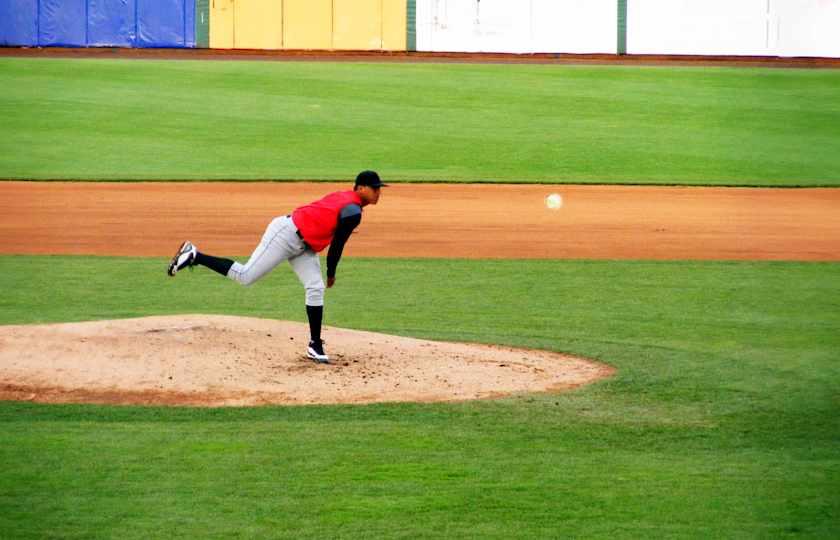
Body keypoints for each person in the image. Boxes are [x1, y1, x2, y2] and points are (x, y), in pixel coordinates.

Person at [167, 170, 387, 364]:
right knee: (245, 276)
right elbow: (337, 245)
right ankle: (195, 255)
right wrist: (331, 273)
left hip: (305, 246)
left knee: (315, 287)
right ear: (360, 188)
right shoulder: (353, 211)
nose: (378, 192)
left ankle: (315, 345)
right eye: (375, 188)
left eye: (379, 188)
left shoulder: (346, 201)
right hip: (286, 235)